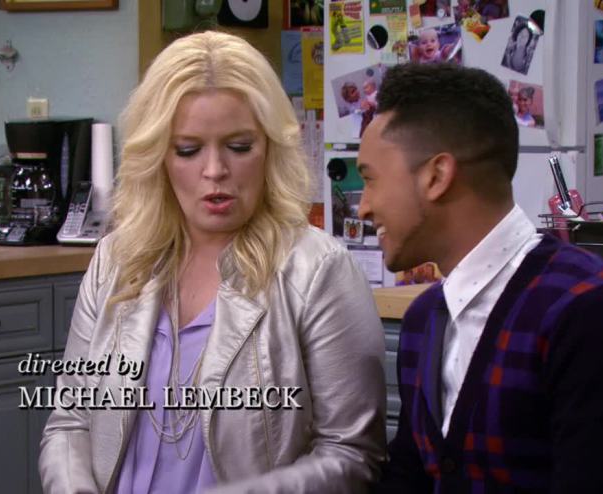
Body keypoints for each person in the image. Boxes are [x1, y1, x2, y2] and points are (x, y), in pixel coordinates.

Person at [39, 31, 386, 494]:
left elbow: (351, 455)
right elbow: (70, 421)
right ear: (158, 156)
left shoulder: (318, 271)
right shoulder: (115, 260)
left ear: (271, 148)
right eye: (188, 150)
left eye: (239, 147)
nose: (215, 170)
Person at [356, 63, 603, 492]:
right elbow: (409, 480)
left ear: (436, 176)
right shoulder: (423, 320)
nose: (363, 207)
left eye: (370, 180)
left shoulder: (596, 315)